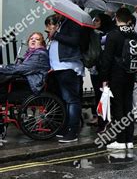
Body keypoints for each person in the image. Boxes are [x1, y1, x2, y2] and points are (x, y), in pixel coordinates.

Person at [100, 8, 137, 149]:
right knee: (128, 106)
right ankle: (129, 140)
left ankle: (120, 140)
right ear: (128, 19)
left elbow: (107, 58)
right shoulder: (133, 34)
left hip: (116, 74)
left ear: (116, 18)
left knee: (118, 107)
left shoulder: (113, 35)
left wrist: (104, 77)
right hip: (130, 73)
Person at [0, 32, 50, 139]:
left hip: (31, 87)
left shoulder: (40, 54)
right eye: (31, 38)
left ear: (42, 43)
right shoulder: (31, 53)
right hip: (25, 83)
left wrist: (2, 67)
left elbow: (22, 69)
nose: (33, 40)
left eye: (37, 39)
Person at [49, 15, 84, 143]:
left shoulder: (74, 22)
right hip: (59, 68)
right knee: (65, 101)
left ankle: (72, 132)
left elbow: (74, 40)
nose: (55, 12)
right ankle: (65, 129)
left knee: (72, 101)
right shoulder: (62, 22)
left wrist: (56, 35)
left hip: (68, 67)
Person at [89, 13, 114, 130]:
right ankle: (99, 118)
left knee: (105, 94)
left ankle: (105, 120)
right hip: (95, 68)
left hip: (106, 69)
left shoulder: (109, 34)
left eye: (97, 20)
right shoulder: (93, 34)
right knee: (97, 93)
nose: (94, 22)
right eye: (93, 20)